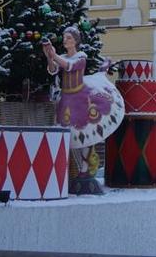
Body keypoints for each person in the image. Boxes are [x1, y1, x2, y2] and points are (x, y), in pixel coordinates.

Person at [41, 26, 124, 193]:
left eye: (69, 38)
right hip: (66, 99)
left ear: (76, 41)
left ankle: (85, 169)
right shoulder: (63, 57)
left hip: (80, 98)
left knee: (84, 133)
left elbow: (69, 66)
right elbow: (53, 70)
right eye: (64, 38)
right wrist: (49, 56)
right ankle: (77, 170)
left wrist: (54, 55)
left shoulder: (81, 58)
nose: (66, 41)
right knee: (71, 136)